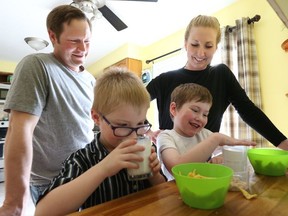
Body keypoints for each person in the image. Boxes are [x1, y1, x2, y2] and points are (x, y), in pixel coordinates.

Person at [0, 5, 95, 215]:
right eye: (74, 41)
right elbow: (19, 129)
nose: (83, 48)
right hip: (51, 182)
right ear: (53, 36)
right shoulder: (37, 65)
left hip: (89, 176)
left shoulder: (90, 80)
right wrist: (13, 202)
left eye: (87, 41)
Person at [35, 68, 166, 215]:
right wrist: (104, 168)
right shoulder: (82, 159)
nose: (133, 137)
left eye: (141, 124)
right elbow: (43, 212)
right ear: (96, 117)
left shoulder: (147, 147)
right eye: (122, 126)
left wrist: (154, 175)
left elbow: (162, 194)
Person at [146, 15, 288, 150]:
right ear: (185, 44)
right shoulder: (165, 80)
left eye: (208, 46)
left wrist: (283, 143)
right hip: (167, 165)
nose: (201, 53)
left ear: (216, 48)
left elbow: (249, 111)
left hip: (204, 164)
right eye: (195, 44)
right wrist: (147, 131)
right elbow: (133, 103)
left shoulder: (221, 75)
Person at [157, 83, 256, 180]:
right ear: (174, 109)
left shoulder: (205, 134)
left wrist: (220, 158)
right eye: (195, 110)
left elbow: (230, 153)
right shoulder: (165, 137)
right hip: (178, 192)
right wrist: (216, 138)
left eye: (205, 114)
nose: (200, 118)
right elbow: (176, 168)